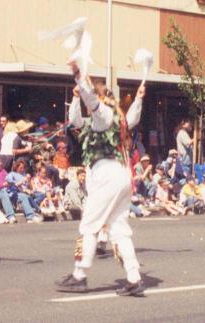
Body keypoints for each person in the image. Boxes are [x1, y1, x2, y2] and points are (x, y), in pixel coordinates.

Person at [55, 61, 146, 296]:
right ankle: (134, 277)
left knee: (90, 225)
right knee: (119, 227)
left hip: (107, 174)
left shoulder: (103, 114)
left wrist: (79, 77)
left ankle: (80, 274)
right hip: (121, 176)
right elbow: (76, 120)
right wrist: (76, 97)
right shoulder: (117, 118)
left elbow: (93, 103)